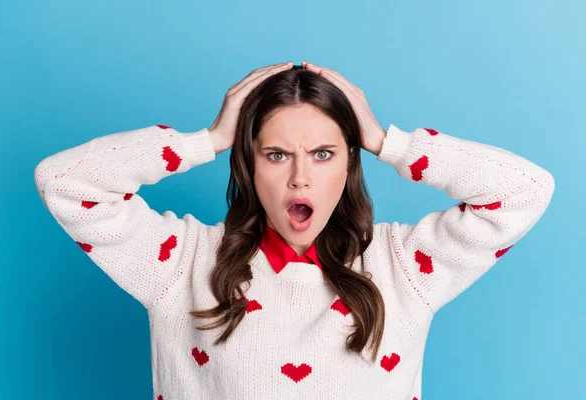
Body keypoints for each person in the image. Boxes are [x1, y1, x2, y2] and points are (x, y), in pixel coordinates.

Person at [34, 60, 555, 400]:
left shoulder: (403, 265)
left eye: (323, 154)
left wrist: (387, 141)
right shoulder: (181, 261)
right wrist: (207, 140)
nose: (300, 177)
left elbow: (525, 190)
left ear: (348, 164)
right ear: (249, 163)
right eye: (277, 154)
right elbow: (62, 181)